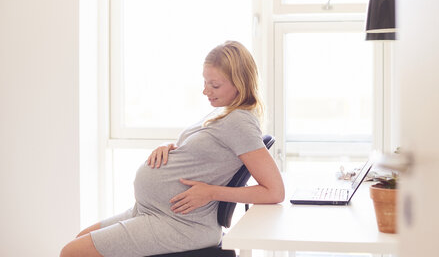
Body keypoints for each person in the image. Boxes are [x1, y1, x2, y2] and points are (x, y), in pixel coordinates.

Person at [60, 41, 285, 257]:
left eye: (215, 85)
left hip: (181, 222)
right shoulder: (224, 113)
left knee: (72, 253)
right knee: (79, 241)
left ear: (240, 83)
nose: (206, 91)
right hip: (153, 210)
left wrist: (211, 192)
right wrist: (171, 149)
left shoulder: (240, 122)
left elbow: (274, 191)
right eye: (205, 82)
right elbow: (207, 156)